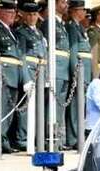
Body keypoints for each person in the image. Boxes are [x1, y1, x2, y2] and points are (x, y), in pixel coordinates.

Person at [0, 0, 29, 153]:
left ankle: (4, 138)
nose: (12, 15)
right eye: (9, 12)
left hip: (14, 75)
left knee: (9, 110)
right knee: (1, 109)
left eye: (14, 13)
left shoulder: (11, 31)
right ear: (1, 12)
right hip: (4, 73)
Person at [14, 1, 45, 149]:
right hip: (29, 71)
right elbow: (22, 56)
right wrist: (26, 77)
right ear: (24, 16)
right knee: (25, 107)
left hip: (40, 71)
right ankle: (22, 138)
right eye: (30, 14)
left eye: (35, 14)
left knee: (38, 106)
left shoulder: (39, 33)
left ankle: (35, 137)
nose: (32, 17)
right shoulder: (21, 32)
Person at [40, 0, 69, 149]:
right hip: (55, 67)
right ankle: (50, 137)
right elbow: (46, 48)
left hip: (63, 68)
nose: (66, 5)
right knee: (52, 105)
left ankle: (59, 138)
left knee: (60, 106)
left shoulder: (61, 24)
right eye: (63, 2)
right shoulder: (48, 23)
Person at [65, 0, 91, 148]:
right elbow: (74, 52)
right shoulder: (71, 27)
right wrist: (75, 73)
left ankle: (78, 135)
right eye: (82, 10)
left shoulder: (79, 27)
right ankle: (73, 137)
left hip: (84, 72)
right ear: (75, 11)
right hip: (79, 72)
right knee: (75, 106)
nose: (84, 13)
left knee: (81, 105)